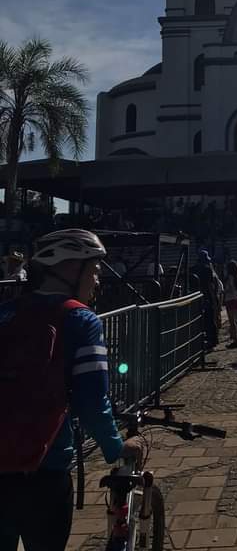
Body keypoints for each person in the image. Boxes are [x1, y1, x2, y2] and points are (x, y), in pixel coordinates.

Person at [0, 229, 143, 551]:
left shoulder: (5, 313)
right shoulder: (80, 318)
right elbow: (91, 401)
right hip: (44, 469)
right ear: (68, 268)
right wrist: (115, 446)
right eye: (93, 269)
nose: (97, 280)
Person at [194, 250, 224, 349]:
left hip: (197, 298)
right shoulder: (207, 270)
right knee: (210, 320)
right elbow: (210, 286)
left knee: (200, 321)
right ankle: (212, 340)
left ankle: (202, 341)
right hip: (207, 298)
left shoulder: (194, 269)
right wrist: (214, 300)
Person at [223, 260, 237, 348]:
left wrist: (225, 291)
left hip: (230, 299)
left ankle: (235, 341)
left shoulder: (229, 277)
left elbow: (230, 289)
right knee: (236, 320)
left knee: (232, 321)